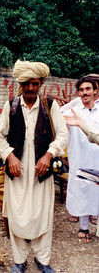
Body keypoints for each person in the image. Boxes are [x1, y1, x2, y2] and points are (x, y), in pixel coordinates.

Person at [0, 60, 68, 273]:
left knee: (42, 215)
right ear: (21, 83)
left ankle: (42, 260)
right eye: (27, 84)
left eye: (35, 84)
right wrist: (10, 156)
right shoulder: (11, 106)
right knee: (17, 215)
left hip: (40, 173)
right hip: (17, 172)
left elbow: (63, 134)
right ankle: (19, 260)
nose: (31, 88)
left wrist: (48, 155)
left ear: (41, 83)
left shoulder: (50, 106)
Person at [62, 77, 99, 243]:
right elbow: (55, 114)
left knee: (96, 192)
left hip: (97, 159)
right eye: (81, 90)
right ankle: (83, 228)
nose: (85, 92)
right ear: (78, 93)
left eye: (88, 89)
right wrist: (74, 102)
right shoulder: (73, 111)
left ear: (95, 91)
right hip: (80, 159)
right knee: (83, 192)